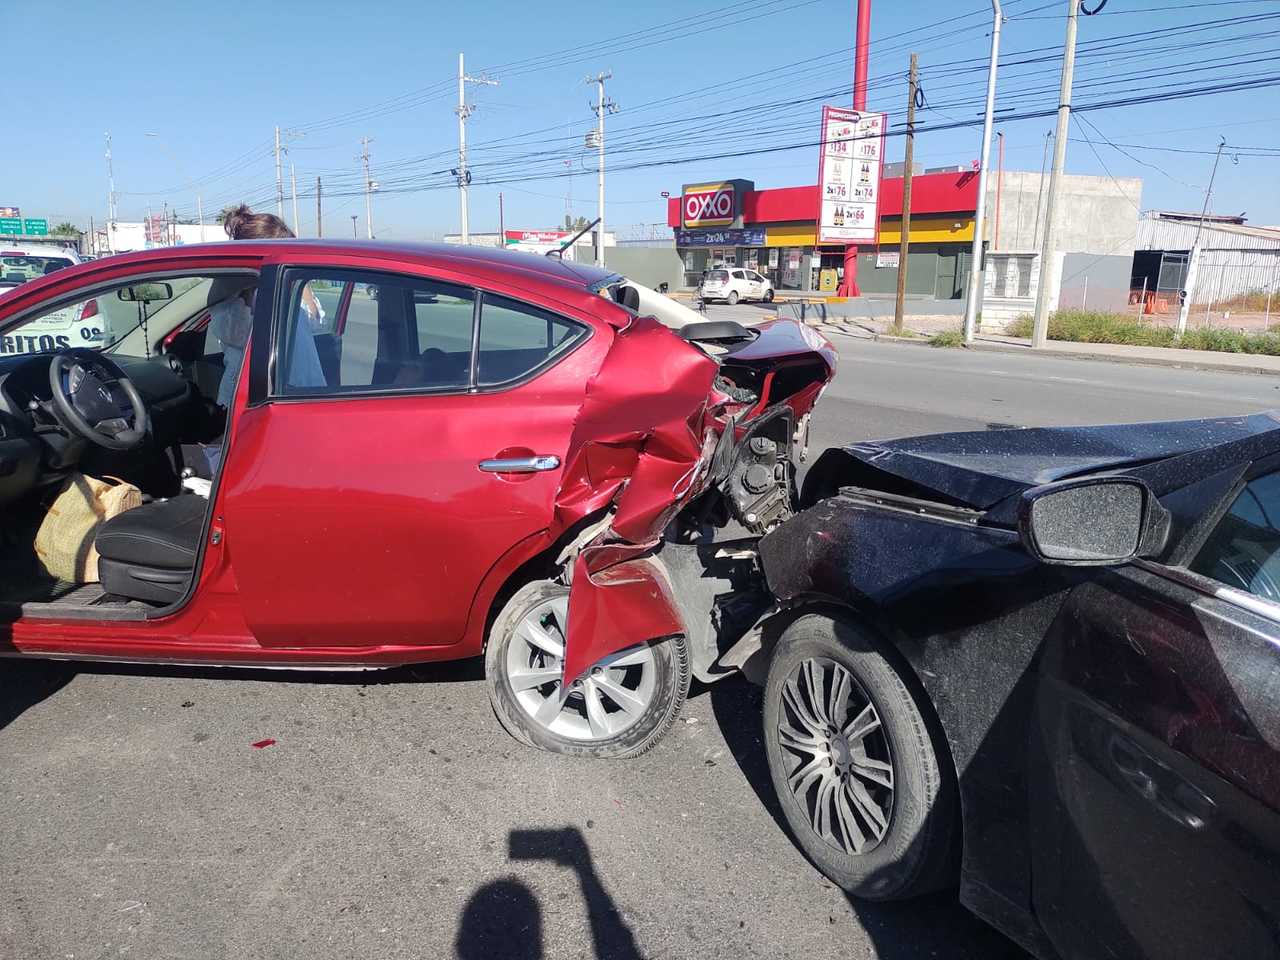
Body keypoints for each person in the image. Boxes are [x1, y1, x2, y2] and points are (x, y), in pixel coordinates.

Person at [220, 205, 326, 393]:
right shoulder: (238, 304)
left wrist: (296, 277)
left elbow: (316, 321)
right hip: (253, 400)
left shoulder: (289, 293)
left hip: (300, 393)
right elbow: (238, 335)